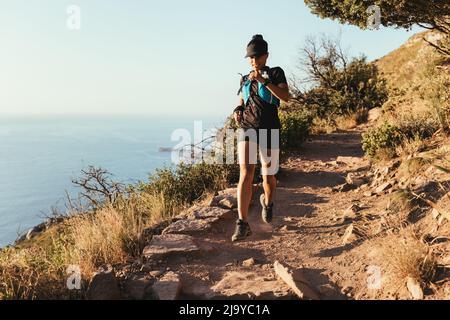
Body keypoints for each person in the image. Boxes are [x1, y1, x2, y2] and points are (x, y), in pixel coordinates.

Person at [231, 34, 290, 242]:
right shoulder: (244, 78)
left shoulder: (275, 73)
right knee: (246, 172)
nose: (253, 60)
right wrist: (238, 108)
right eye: (250, 57)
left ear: (266, 55)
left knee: (268, 177)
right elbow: (242, 97)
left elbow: (285, 97)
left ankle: (268, 202)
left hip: (270, 128)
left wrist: (263, 81)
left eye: (257, 56)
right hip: (247, 128)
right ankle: (242, 223)